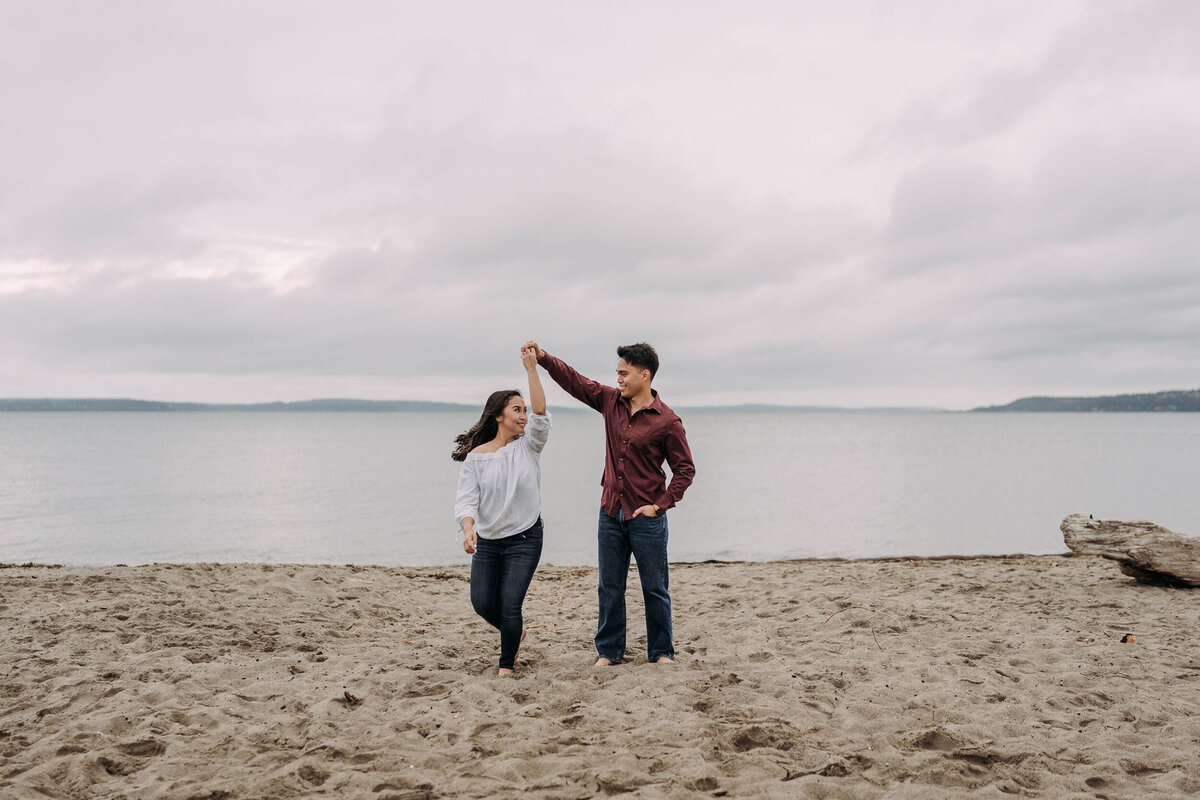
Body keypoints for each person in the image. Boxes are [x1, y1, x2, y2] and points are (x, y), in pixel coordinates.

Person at [524, 340, 694, 666]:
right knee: (609, 587)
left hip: (646, 518)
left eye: (624, 373)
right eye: (616, 373)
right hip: (609, 512)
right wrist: (543, 359)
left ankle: (661, 652)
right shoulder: (609, 401)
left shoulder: (667, 422)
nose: (618, 379)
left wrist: (660, 505)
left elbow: (685, 470)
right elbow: (575, 381)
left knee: (655, 588)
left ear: (645, 376)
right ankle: (609, 652)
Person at [452, 345, 550, 675]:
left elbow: (540, 411)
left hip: (525, 538)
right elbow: (466, 500)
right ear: (499, 416)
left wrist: (532, 369)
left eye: (523, 410)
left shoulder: (530, 445)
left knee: (510, 604)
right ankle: (514, 630)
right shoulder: (476, 457)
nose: (523, 415)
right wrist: (468, 528)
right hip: (489, 541)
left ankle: (506, 664)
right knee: (482, 603)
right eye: (516, 410)